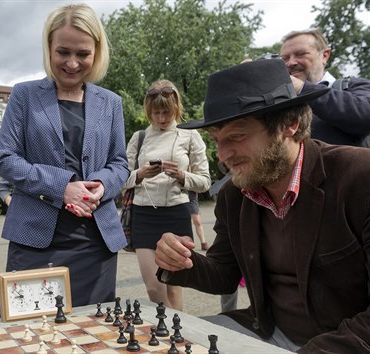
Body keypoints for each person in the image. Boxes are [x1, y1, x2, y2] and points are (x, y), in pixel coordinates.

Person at [155, 59, 370, 353]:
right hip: (268, 333)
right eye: (216, 140)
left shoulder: (359, 178)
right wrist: (180, 262)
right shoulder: (235, 194)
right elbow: (224, 273)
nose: (223, 155)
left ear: (290, 123)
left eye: (237, 136)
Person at [0, 3, 129, 307]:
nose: (71, 63)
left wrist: (101, 186)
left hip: (95, 240)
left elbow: (120, 163)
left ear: (97, 52)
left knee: (95, 336)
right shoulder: (24, 95)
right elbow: (5, 157)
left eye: (82, 54)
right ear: (48, 48)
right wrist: (62, 186)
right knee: (34, 334)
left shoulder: (110, 102)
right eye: (63, 52)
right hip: (34, 240)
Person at [123, 80, 210, 310]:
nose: (161, 118)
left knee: (174, 286)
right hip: (143, 213)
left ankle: (177, 336)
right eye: (156, 113)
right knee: (154, 287)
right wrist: (140, 174)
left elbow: (205, 182)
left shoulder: (190, 136)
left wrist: (182, 175)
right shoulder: (139, 137)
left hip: (176, 212)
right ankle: (172, 329)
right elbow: (119, 179)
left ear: (176, 110)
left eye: (166, 113)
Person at [279, 27, 370, 146]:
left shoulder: (352, 86)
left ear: (325, 55)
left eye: (300, 54)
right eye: (285, 58)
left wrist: (303, 89)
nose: (291, 63)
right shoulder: (280, 99)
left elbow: (366, 115)